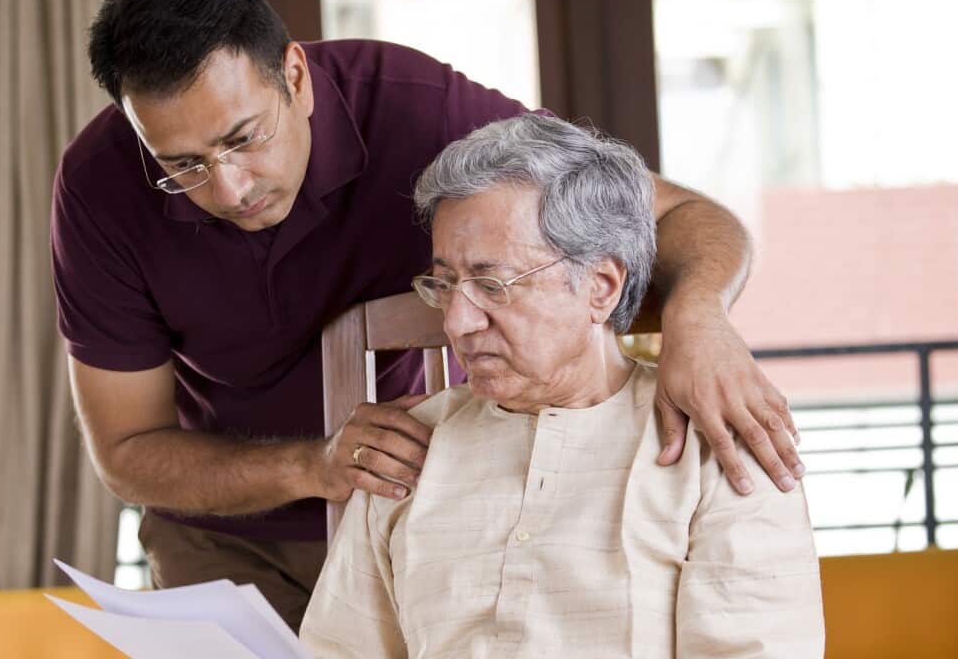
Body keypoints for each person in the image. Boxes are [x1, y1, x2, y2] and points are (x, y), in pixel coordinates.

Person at [53, 0, 805, 629]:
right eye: (181, 164)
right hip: (223, 521)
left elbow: (685, 217)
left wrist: (698, 318)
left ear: (294, 75)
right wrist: (312, 466)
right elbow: (126, 452)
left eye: (243, 138)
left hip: (408, 501)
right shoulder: (100, 188)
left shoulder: (418, 110)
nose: (228, 187)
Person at [299, 113, 824, 657]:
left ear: (600, 287)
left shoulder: (715, 442)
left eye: (491, 285)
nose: (457, 322)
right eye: (446, 284)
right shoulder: (407, 450)